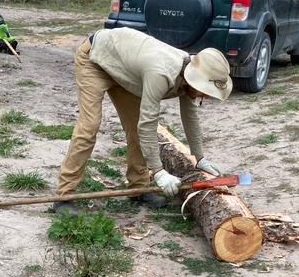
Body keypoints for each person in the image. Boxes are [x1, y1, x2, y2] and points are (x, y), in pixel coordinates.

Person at [54, 27, 232, 214]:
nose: (206, 96)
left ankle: (137, 188)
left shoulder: (191, 75)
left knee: (135, 129)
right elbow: (148, 124)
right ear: (196, 80)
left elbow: (191, 116)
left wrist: (200, 157)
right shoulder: (161, 74)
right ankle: (64, 196)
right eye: (206, 91)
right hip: (95, 60)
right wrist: (159, 172)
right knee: (89, 127)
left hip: (125, 70)